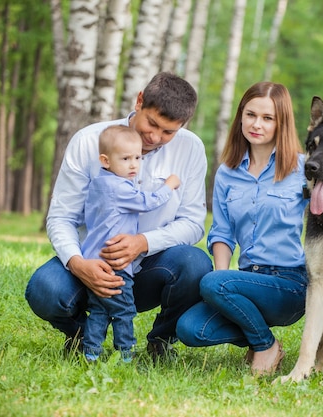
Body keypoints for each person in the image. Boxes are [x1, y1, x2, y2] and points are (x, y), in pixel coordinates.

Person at [25, 72, 213, 361]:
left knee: (196, 263)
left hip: (150, 266)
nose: (155, 137)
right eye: (152, 124)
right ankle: (83, 336)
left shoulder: (191, 148)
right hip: (93, 260)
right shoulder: (89, 141)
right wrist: (78, 264)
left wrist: (142, 242)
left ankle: (160, 341)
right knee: (44, 289)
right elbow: (62, 217)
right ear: (139, 101)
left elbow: (192, 223)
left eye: (168, 132)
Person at [176, 82, 309, 376]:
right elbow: (221, 233)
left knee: (213, 283)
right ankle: (263, 337)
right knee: (190, 328)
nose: (256, 124)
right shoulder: (227, 172)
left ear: (282, 123)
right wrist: (220, 282)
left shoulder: (303, 169)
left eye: (267, 118)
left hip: (290, 284)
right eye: (250, 115)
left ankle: (264, 345)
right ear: (240, 116)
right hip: (246, 283)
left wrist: (217, 284)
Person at [81, 125, 181, 363]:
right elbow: (148, 201)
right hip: (115, 264)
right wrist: (169, 184)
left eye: (137, 157)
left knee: (99, 310)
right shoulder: (119, 188)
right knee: (124, 311)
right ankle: (125, 354)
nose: (134, 165)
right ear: (105, 160)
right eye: (125, 159)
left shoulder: (99, 183)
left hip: (94, 261)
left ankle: (91, 352)